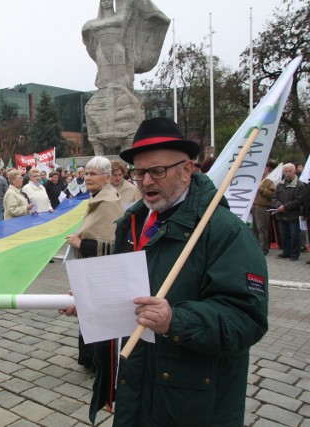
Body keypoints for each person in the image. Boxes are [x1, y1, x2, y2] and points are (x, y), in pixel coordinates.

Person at [65, 117, 268, 426]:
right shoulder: (129, 225)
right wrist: (93, 299)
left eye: (157, 171)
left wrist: (176, 319)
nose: (146, 182)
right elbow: (127, 298)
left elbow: (246, 318)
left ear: (187, 170)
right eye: (140, 172)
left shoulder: (225, 232)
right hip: (137, 388)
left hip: (191, 403)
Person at [64, 156, 123, 412]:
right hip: (90, 269)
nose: (87, 177)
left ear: (107, 177)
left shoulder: (108, 201)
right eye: (86, 173)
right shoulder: (99, 197)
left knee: (97, 314)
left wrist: (82, 243)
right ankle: (90, 358)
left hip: (101, 271)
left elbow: (111, 243)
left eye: (94, 174)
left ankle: (100, 362)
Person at [274, 163, 304, 261]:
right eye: (285, 171)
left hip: (293, 214)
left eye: (289, 171)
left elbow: (299, 200)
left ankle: (295, 253)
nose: (287, 173)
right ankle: (286, 252)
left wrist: (285, 206)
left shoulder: (300, 185)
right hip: (281, 214)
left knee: (294, 234)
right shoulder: (280, 184)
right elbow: (274, 198)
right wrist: (278, 205)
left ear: (294, 171)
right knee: (284, 234)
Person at [252, 159, 277, 255]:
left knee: (262, 228)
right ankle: (256, 246)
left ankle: (264, 248)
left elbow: (272, 193)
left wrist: (262, 189)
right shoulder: (257, 178)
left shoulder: (269, 180)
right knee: (255, 229)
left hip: (263, 206)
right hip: (254, 205)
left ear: (266, 168)